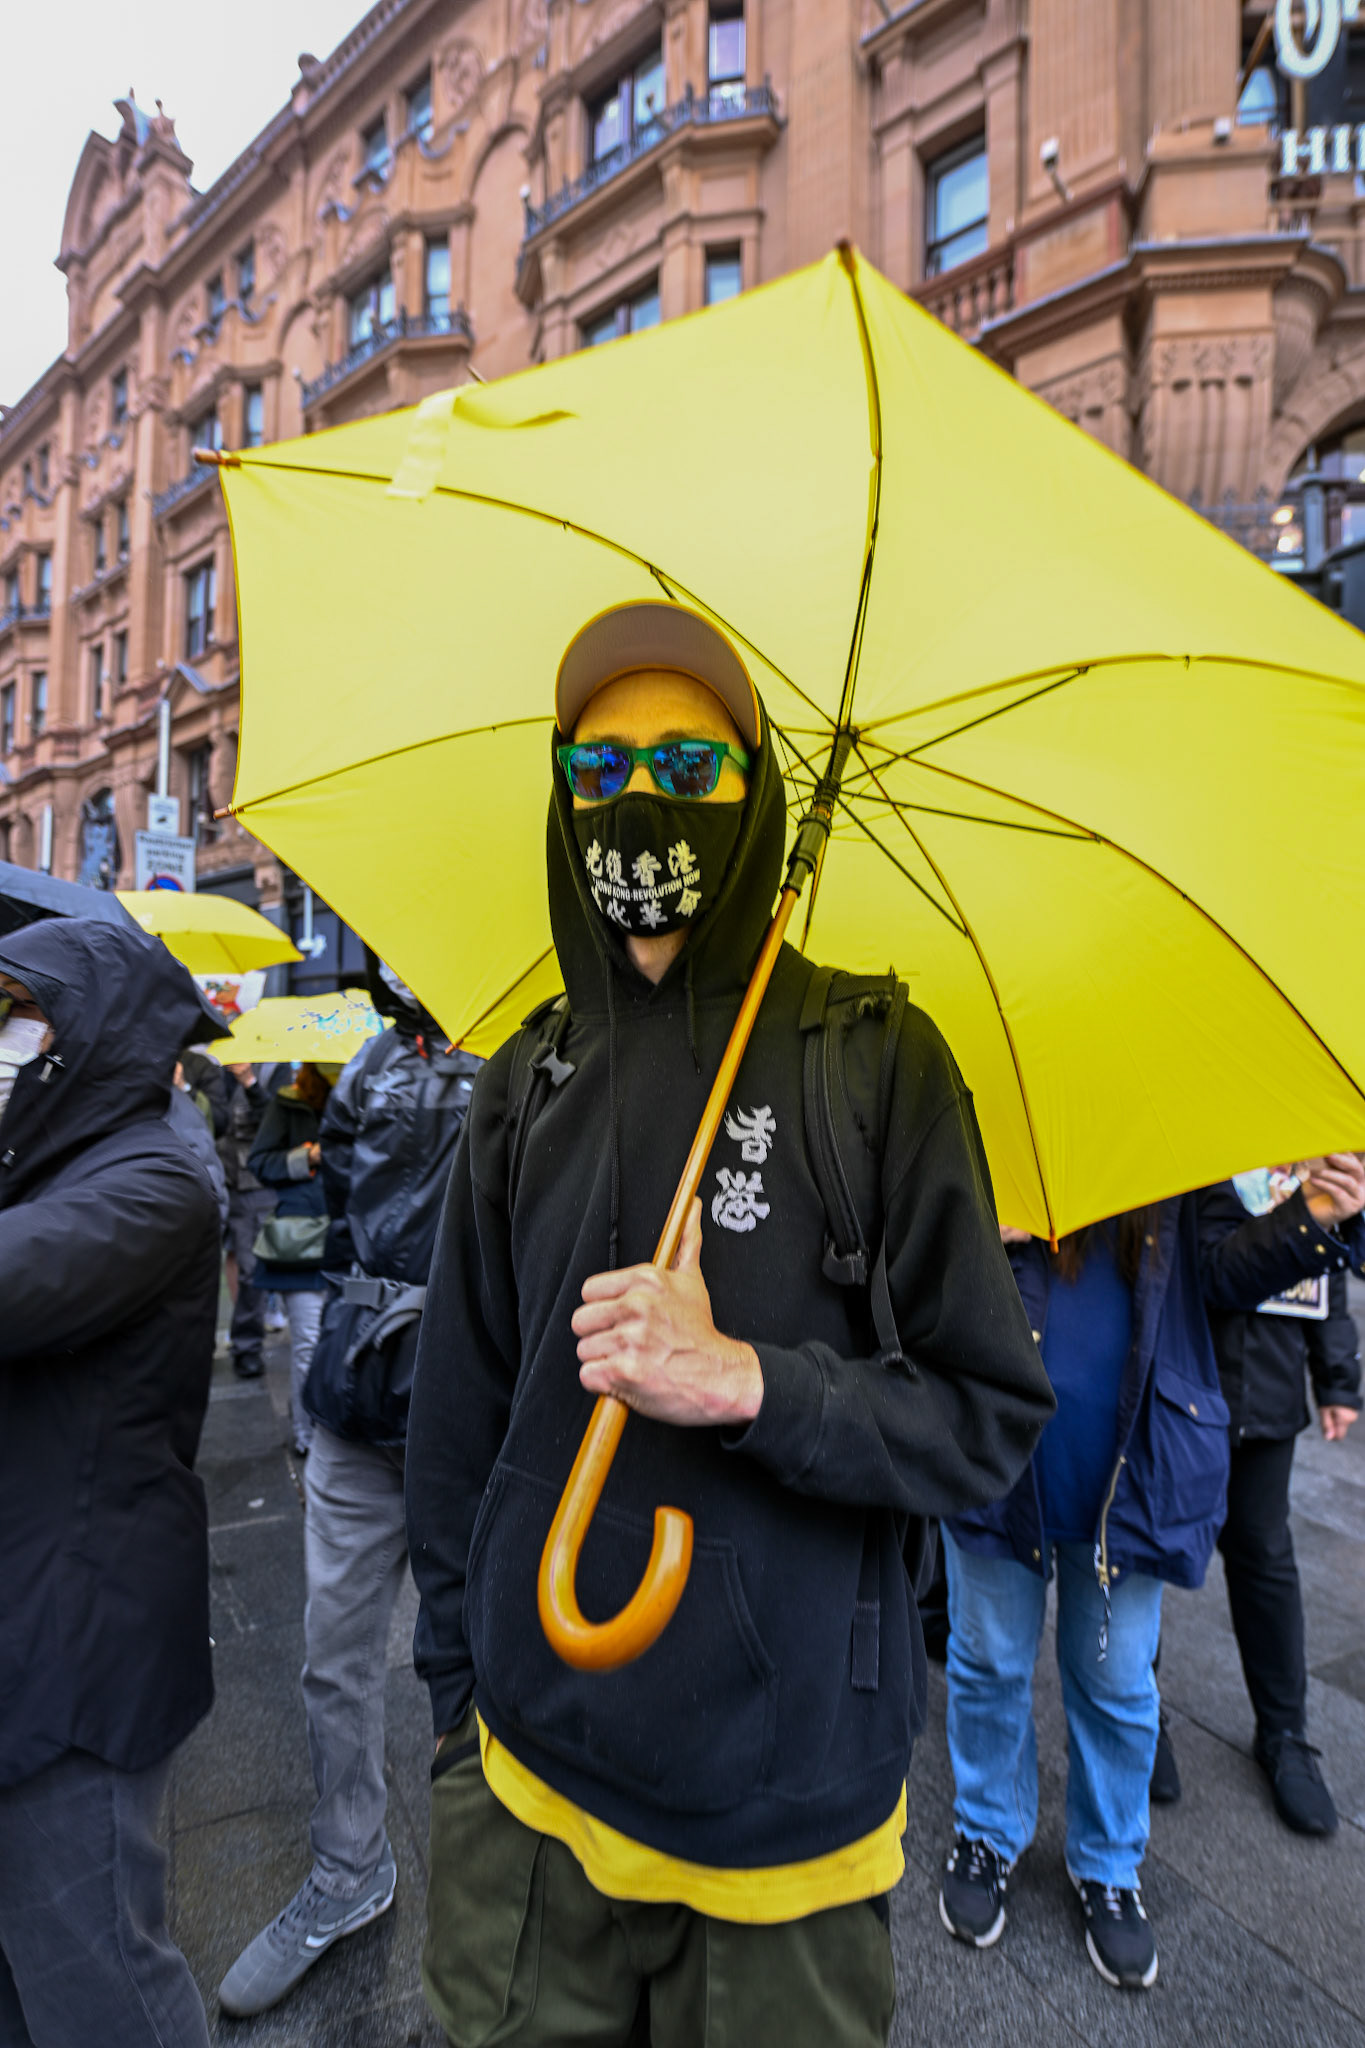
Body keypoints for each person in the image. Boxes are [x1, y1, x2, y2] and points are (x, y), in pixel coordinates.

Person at [405, 602, 1056, 2047]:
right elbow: (457, 1415)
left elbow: (987, 1416)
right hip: (525, 1794)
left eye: (690, 769)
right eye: (600, 768)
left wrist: (750, 1381)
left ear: (754, 796)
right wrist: (457, 1694)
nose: (639, 801)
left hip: (783, 1833)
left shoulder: (876, 1063)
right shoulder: (526, 1076)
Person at [937, 1165, 1365, 1994]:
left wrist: (1312, 1216)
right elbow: (901, 1256)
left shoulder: (1167, 1149)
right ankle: (985, 1830)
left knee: (1116, 1684)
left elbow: (1225, 1274)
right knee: (986, 1662)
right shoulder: (992, 1135)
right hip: (996, 1455)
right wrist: (975, 1241)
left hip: (1128, 1472)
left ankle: (1106, 1861)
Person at [219, 969, 480, 2017]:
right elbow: (330, 1215)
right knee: (333, 1650)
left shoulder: (531, 1066)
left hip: (472, 1417)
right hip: (357, 1399)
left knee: (479, 1665)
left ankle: (498, 1885)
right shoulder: (367, 1062)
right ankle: (347, 1865)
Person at [0, 917, 223, 2045]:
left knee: (96, 1977)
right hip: (28, 1611)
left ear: (93, 1032)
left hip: (76, 1643)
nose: (6, 1039)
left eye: (19, 1014)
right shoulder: (46, 1148)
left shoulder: (158, 1173)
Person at [1158, 1166, 1361, 1835]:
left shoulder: (1301, 1148)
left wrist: (1337, 1376)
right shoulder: (1190, 1140)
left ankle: (1285, 1733)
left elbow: (1327, 1270)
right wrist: (1310, 1217)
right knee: (1145, 1555)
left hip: (1268, 1390)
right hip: (1180, 1384)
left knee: (1265, 1557)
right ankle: (1137, 1713)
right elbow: (1213, 1271)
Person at [249, 1059, 337, 1455]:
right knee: (308, 1345)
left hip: (350, 1238)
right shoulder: (288, 1101)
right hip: (301, 1243)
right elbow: (260, 1162)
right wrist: (307, 1158)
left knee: (339, 1345)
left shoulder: (369, 1094)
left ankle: (328, 1431)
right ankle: (307, 1436)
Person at [221, 1062, 272, 1379]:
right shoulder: (213, 1072)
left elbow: (274, 1120)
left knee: (255, 1269)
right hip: (227, 1182)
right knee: (246, 1269)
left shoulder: (277, 1067)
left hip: (260, 1182)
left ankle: (248, 1345)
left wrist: (251, 1083)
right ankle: (245, 1346)